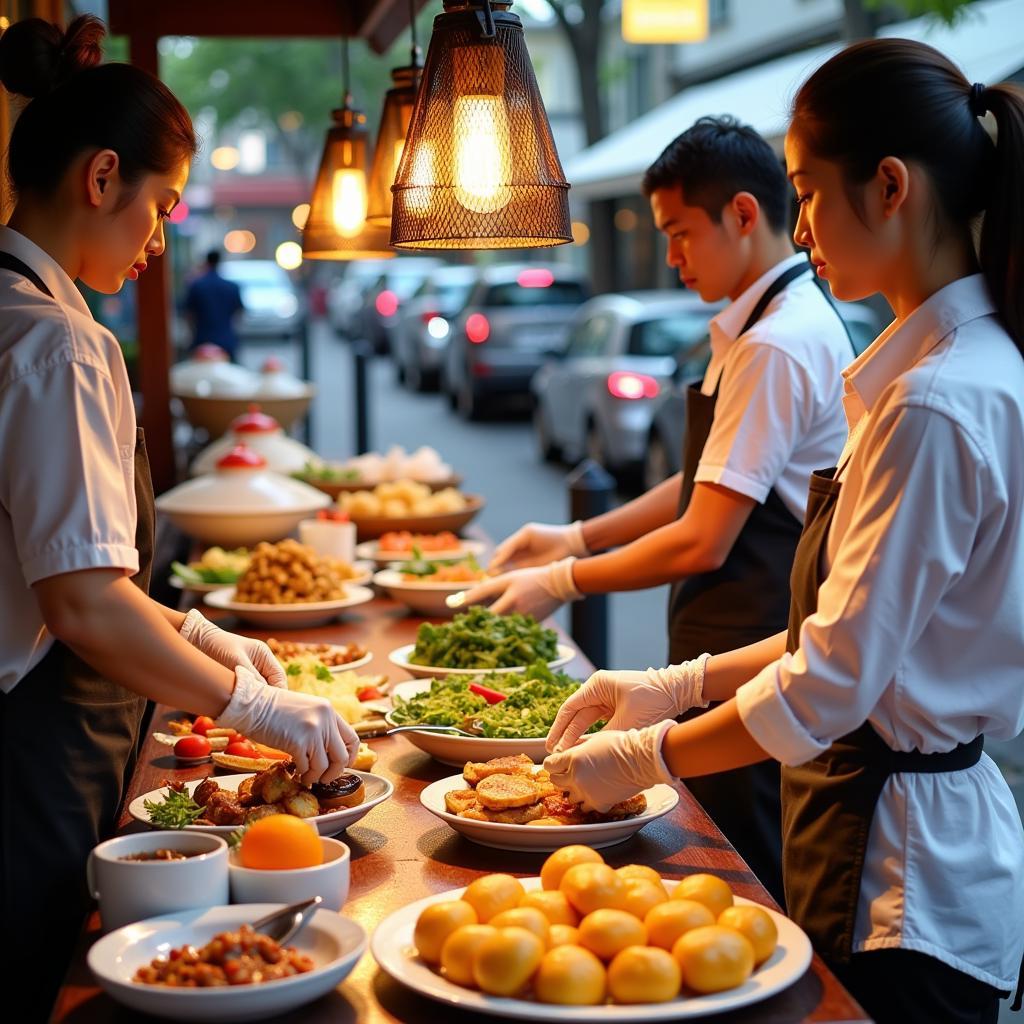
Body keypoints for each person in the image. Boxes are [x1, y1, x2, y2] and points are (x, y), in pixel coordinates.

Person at [543, 38, 1024, 1024]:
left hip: (900, 873)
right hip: (884, 835)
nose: (800, 222)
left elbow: (832, 681)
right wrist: (675, 682)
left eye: (806, 189)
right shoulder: (938, 370)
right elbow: (846, 634)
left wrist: (652, 754)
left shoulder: (933, 401)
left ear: (889, 186)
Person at [0, 17, 357, 1018]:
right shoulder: (51, 341)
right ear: (102, 177)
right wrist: (251, 705)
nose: (160, 239)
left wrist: (200, 634)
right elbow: (79, 607)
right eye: (158, 206)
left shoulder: (38, 314)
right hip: (28, 757)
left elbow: (77, 575)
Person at [461, 115, 855, 903]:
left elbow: (704, 539)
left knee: (734, 879)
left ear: (743, 215)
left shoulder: (779, 341)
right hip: (721, 653)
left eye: (679, 233)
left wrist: (567, 579)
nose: (671, 255)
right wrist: (574, 533)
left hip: (750, 650)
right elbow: (702, 483)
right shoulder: (754, 325)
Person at [183, 247, 244, 359]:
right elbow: (239, 313)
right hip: (226, 339)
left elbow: (188, 314)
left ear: (207, 262)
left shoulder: (197, 286)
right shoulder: (232, 287)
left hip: (202, 339)